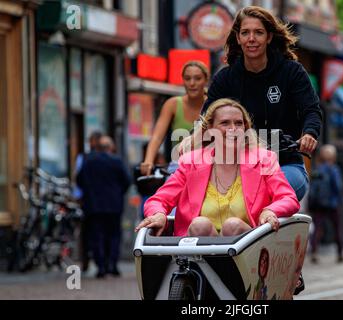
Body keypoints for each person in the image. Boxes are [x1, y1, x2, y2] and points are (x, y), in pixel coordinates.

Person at [202, 6, 322, 202]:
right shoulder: (225, 78)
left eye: (258, 32)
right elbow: (205, 119)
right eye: (245, 33)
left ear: (269, 37)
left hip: (285, 165)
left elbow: (311, 110)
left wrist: (309, 133)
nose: (251, 39)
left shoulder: (292, 72)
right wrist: (192, 140)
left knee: (271, 189)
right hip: (235, 167)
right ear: (238, 38)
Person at [135, 98, 300, 237]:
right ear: (210, 130)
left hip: (249, 253)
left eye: (238, 123)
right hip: (199, 255)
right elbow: (159, 200)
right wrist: (158, 214)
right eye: (225, 123)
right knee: (200, 225)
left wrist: (270, 211)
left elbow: (288, 198)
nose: (233, 129)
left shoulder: (265, 159)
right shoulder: (190, 162)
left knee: (233, 225)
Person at [140, 60, 209, 177]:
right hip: (178, 170)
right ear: (183, 81)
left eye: (197, 78)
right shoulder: (172, 104)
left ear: (206, 80)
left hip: (208, 171)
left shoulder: (213, 105)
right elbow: (157, 137)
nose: (192, 83)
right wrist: (148, 160)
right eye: (187, 78)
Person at [77, 135, 131, 278]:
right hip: (114, 205)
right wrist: (118, 193)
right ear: (111, 148)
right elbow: (127, 181)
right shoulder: (116, 161)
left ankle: (101, 266)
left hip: (94, 206)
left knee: (97, 236)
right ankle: (112, 264)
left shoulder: (89, 161)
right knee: (114, 235)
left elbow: (79, 180)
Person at [309, 145, 343, 264]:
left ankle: (314, 252)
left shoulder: (317, 169)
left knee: (317, 229)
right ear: (333, 157)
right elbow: (338, 186)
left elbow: (312, 188)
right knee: (337, 229)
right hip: (333, 204)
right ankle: (340, 253)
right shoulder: (334, 169)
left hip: (319, 204)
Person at [73, 130, 102, 272]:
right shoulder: (86, 158)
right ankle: (100, 263)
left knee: (90, 233)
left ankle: (92, 261)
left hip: (90, 202)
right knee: (97, 233)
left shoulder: (85, 159)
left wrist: (80, 195)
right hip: (100, 203)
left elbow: (78, 178)